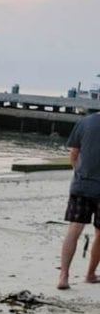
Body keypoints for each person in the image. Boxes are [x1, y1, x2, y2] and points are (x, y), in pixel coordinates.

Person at [57, 110, 100, 289]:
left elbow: (74, 155)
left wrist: (80, 174)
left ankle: (63, 276)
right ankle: (90, 274)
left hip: (81, 186)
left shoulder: (84, 122)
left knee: (74, 229)